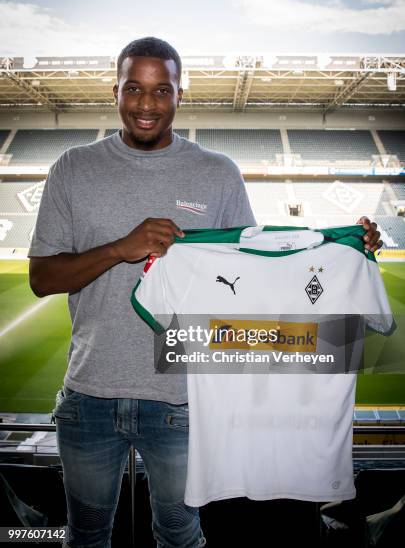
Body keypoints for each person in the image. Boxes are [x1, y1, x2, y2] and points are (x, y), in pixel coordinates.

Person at [28, 36, 382, 548]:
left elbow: (262, 264)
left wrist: (346, 244)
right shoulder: (72, 168)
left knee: (181, 533)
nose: (146, 104)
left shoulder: (217, 173)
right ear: (115, 92)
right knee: (85, 535)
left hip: (184, 398)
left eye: (161, 90)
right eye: (134, 88)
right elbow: (42, 277)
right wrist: (121, 248)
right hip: (89, 394)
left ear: (178, 96)